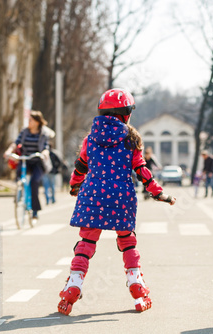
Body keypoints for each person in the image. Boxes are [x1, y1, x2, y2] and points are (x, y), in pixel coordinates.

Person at [57, 88, 176, 315]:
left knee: (86, 244)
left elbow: (80, 167)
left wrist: (74, 186)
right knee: (127, 242)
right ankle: (137, 286)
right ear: (126, 114)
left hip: (92, 196)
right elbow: (142, 171)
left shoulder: (90, 139)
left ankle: (73, 286)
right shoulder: (131, 139)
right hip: (121, 199)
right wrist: (159, 193)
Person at [4, 111, 51, 224]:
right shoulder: (24, 132)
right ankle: (20, 192)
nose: (28, 122)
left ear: (37, 122)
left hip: (37, 161)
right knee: (19, 173)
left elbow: (46, 147)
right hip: (25, 159)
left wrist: (44, 153)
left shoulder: (43, 133)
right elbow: (16, 143)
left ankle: (34, 210)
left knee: (34, 182)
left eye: (30, 120)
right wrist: (9, 151)